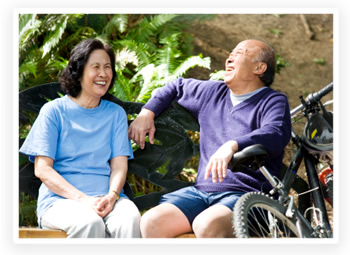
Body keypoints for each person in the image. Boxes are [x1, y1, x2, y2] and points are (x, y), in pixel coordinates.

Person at [128, 39, 292, 238]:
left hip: (248, 195)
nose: (230, 57)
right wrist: (147, 112)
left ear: (259, 67)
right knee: (152, 222)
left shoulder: (272, 101)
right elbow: (176, 86)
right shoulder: (212, 93)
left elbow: (276, 132)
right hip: (201, 193)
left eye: (240, 53)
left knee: (207, 224)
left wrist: (233, 145)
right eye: (231, 52)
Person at [19, 39, 141, 238]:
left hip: (108, 199)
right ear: (79, 71)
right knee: (89, 222)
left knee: (129, 219)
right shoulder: (53, 112)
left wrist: (112, 196)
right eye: (96, 67)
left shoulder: (115, 114)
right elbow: (43, 169)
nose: (103, 74)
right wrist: (84, 200)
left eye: (108, 67)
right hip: (60, 202)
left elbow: (119, 166)